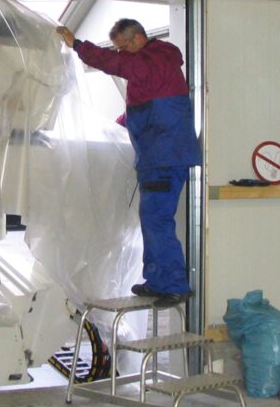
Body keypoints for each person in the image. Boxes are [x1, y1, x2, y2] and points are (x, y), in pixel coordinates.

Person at [56, 19, 200, 306]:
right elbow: (140, 113)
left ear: (137, 40)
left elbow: (122, 66)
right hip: (158, 156)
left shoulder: (155, 59)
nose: (121, 55)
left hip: (164, 158)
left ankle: (173, 284)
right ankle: (158, 280)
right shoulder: (151, 72)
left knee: (157, 220)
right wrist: (109, 129)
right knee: (152, 220)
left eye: (123, 48)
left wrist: (79, 46)